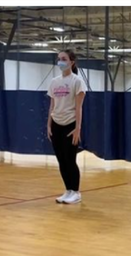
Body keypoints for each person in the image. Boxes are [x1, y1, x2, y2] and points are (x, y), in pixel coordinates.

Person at [47, 49, 86, 205]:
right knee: (61, 160)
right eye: (58, 59)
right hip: (56, 123)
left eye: (63, 58)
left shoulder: (77, 81)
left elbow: (79, 107)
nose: (60, 61)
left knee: (70, 159)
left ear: (72, 61)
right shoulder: (54, 82)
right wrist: (48, 124)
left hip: (70, 124)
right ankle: (67, 190)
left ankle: (75, 192)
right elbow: (52, 105)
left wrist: (77, 128)